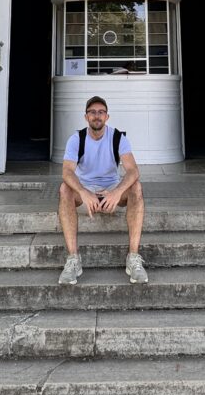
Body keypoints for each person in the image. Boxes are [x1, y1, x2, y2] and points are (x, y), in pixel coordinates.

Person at [57, 95, 147, 285]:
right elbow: (67, 172)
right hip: (86, 193)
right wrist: (83, 192)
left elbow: (133, 171)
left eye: (101, 112)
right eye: (92, 112)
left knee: (136, 187)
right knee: (65, 189)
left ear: (107, 116)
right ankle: (73, 260)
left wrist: (117, 192)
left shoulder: (117, 137)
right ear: (86, 117)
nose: (96, 116)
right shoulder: (76, 139)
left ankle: (133, 258)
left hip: (111, 191)